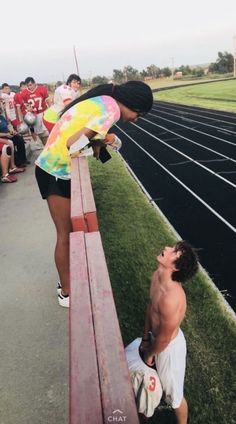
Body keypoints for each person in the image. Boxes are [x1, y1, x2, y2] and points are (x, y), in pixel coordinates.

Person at [35, 81, 153, 307]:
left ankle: (66, 282)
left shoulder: (105, 102)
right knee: (65, 235)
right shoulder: (112, 110)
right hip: (54, 171)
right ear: (131, 104)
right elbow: (73, 144)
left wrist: (99, 141)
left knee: (68, 234)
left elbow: (78, 137)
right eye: (139, 114)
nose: (136, 119)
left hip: (55, 169)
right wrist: (98, 140)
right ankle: (66, 292)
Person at [140, 241, 199, 424]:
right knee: (150, 381)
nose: (166, 248)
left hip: (169, 349)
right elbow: (150, 307)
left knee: (174, 397)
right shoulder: (156, 276)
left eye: (174, 252)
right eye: (172, 247)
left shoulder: (172, 299)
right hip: (156, 338)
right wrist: (145, 337)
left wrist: (150, 354)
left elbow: (164, 339)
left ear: (175, 267)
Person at [18, 77, 51, 145]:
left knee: (48, 132)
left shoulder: (42, 89)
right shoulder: (24, 93)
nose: (30, 87)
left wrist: (51, 110)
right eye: (28, 85)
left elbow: (48, 101)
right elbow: (26, 105)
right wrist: (28, 109)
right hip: (35, 115)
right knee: (42, 135)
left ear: (34, 83)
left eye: (31, 85)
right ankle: (46, 147)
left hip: (44, 112)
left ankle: (51, 146)